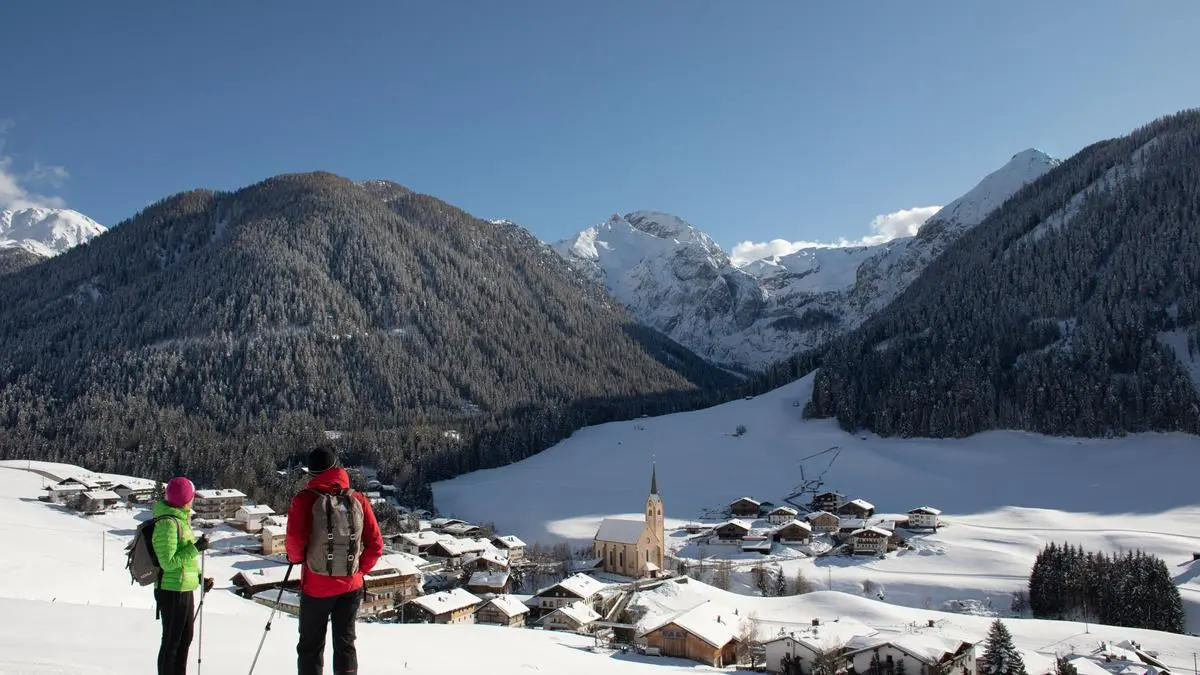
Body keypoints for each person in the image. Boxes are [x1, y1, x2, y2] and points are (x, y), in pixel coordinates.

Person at [286, 447, 383, 675]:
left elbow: (295, 544)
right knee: (345, 644)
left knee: (310, 647)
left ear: (311, 473)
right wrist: (359, 571)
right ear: (337, 468)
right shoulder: (357, 499)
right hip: (351, 586)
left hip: (316, 586)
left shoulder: (304, 500)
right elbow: (376, 545)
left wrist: (299, 559)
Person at [151, 476, 214, 675]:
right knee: (172, 642)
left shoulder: (179, 520)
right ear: (186, 498)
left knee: (184, 640)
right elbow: (168, 562)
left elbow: (185, 560)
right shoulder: (168, 523)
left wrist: (198, 579)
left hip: (183, 588)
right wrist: (196, 548)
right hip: (171, 590)